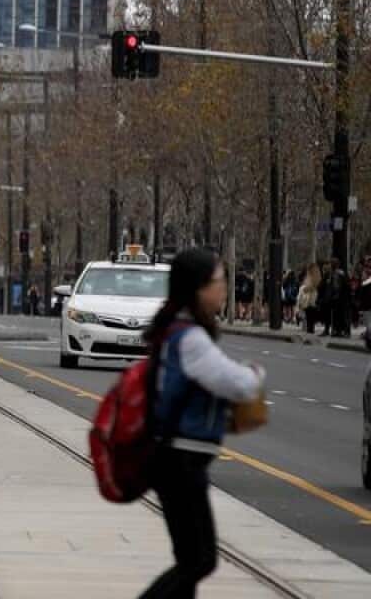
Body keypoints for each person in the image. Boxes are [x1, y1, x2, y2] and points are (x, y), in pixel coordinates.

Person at [140, 248, 264, 598]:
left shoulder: (177, 330)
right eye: (218, 281)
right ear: (198, 288)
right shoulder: (190, 338)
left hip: (176, 457)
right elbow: (237, 383)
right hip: (180, 459)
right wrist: (255, 374)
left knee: (190, 559)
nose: (224, 289)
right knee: (200, 559)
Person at [298, 263, 321, 334]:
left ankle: (309, 329)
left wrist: (305, 288)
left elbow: (310, 286)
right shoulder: (317, 277)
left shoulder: (311, 277)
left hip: (310, 297)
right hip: (312, 297)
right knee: (311, 314)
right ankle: (310, 328)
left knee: (309, 314)